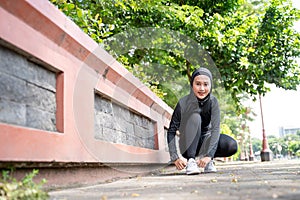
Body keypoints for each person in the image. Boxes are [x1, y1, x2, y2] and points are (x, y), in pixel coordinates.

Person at [167, 67, 238, 175]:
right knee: (195, 117)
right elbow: (171, 131)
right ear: (192, 85)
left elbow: (215, 129)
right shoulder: (183, 102)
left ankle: (208, 162)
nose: (202, 88)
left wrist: (209, 155)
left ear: (210, 86)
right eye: (198, 84)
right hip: (188, 144)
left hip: (206, 141)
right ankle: (191, 161)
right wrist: (175, 157)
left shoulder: (213, 102)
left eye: (206, 84)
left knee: (231, 145)